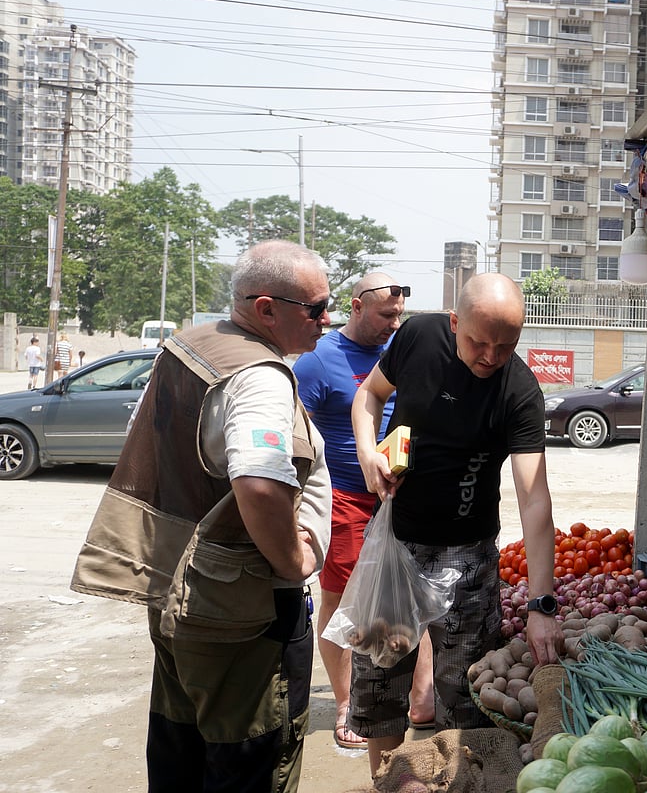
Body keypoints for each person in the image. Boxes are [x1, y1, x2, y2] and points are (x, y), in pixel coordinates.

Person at [70, 239, 334, 792]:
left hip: (175, 589)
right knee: (250, 753)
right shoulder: (259, 376)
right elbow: (260, 484)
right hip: (240, 608)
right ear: (266, 309)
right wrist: (293, 558)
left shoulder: (188, 346)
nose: (325, 321)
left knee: (179, 742)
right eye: (315, 308)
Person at [349, 272, 563, 775]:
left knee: (462, 693)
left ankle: (454, 781)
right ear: (453, 323)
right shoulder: (419, 337)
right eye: (478, 342)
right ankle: (389, 784)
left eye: (505, 346)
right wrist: (366, 452)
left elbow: (534, 500)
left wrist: (541, 603)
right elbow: (368, 397)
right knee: (381, 682)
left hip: (467, 555)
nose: (490, 356)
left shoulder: (519, 391)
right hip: (395, 541)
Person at [292, 273, 435, 751]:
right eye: (386, 315)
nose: (395, 324)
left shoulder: (401, 350)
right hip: (346, 498)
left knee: (413, 595)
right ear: (356, 307)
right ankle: (348, 701)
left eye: (399, 316)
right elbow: (297, 432)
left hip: (401, 497)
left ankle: (420, 694)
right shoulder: (319, 361)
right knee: (342, 600)